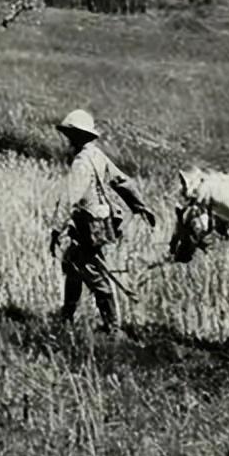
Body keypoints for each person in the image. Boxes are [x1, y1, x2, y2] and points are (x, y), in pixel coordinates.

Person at [49, 109, 156, 335]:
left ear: (77, 136)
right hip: (99, 223)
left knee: (93, 274)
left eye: (70, 135)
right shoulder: (97, 155)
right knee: (73, 266)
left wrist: (56, 229)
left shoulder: (81, 163)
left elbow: (69, 197)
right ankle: (66, 317)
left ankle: (113, 328)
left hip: (88, 226)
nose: (67, 140)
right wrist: (140, 205)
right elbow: (122, 181)